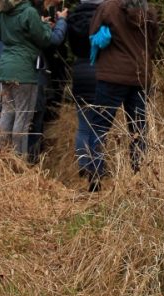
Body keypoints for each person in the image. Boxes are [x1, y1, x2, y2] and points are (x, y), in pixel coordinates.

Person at [85, 0, 159, 192]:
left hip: (111, 76)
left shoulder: (107, 8)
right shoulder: (148, 10)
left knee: (99, 126)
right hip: (140, 76)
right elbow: (152, 45)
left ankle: (95, 178)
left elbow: (92, 35)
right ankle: (139, 177)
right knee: (138, 128)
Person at [0, 0, 68, 159]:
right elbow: (47, 39)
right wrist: (49, 25)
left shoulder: (3, 12)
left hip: (5, 68)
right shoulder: (29, 12)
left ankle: (0, 159)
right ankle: (18, 162)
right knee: (23, 117)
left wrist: (20, 34)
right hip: (24, 71)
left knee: (7, 113)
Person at [67, 0, 105, 177]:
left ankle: (83, 163)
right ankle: (97, 166)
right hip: (99, 70)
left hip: (79, 70)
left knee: (83, 125)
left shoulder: (73, 17)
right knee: (99, 125)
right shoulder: (104, 16)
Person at [27, 0, 69, 162]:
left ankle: (37, 160)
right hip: (37, 73)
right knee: (33, 119)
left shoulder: (39, 11)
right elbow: (51, 40)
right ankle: (31, 161)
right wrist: (60, 23)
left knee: (39, 119)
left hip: (49, 72)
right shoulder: (32, 12)